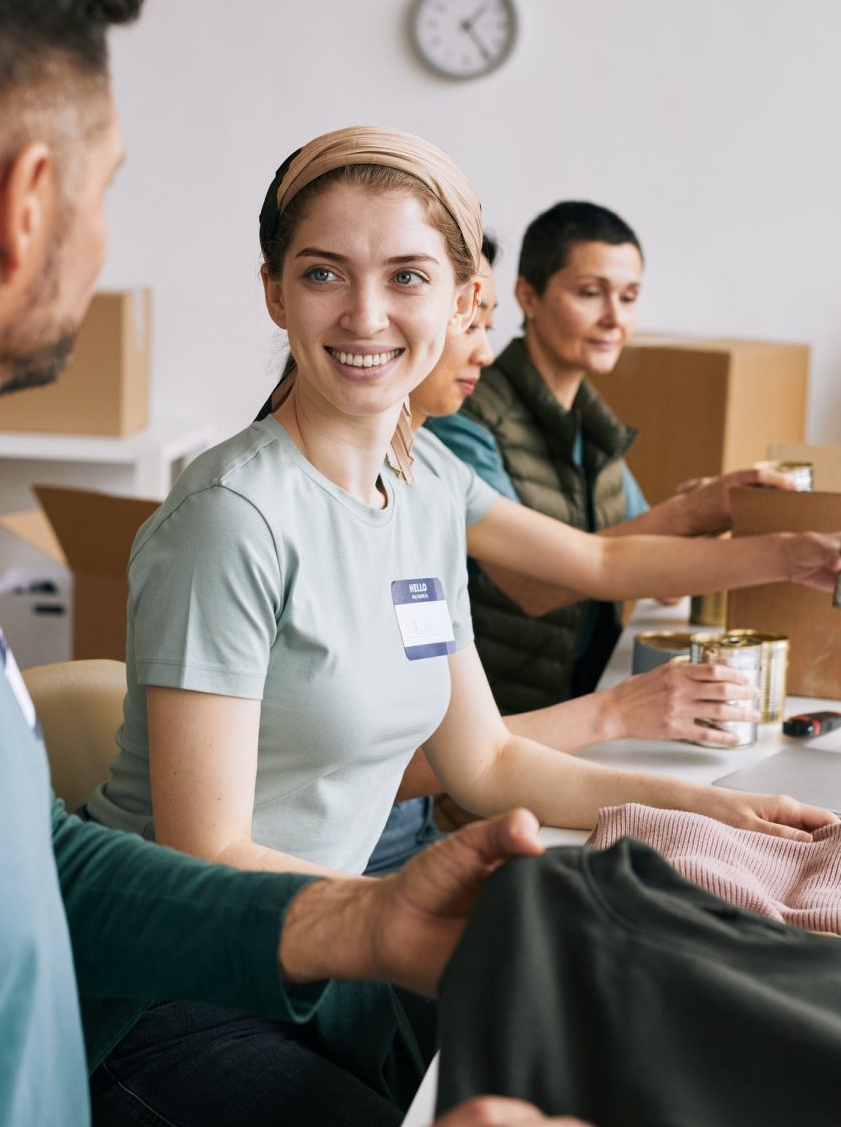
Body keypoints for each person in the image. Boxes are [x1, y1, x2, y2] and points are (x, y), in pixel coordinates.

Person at [0, 0, 590, 1127]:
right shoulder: (214, 517)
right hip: (169, 1027)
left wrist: (361, 918)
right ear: (29, 205)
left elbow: (47, 863)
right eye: (112, 184)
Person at [87, 124, 840, 1119]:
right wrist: (399, 913)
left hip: (340, 957)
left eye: (406, 276)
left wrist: (710, 811)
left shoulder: (422, 485)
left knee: (623, 1052)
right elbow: (205, 852)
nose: (365, 313)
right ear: (274, 292)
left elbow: (483, 761)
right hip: (186, 987)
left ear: (462, 298)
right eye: (323, 274)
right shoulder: (232, 518)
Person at [366, 234, 841, 869]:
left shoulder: (435, 471)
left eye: (483, 319)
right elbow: (424, 761)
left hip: (418, 822)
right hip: (390, 840)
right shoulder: (269, 502)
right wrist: (620, 712)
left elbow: (603, 562)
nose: (483, 347)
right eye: (467, 321)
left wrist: (791, 551)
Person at [432, 205, 801, 716]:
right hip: (501, 716)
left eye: (628, 298)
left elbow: (641, 556)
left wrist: (699, 512)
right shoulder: (459, 416)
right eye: (590, 293)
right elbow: (533, 587)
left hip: (578, 694)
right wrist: (692, 515)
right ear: (528, 296)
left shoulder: (592, 423)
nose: (615, 318)